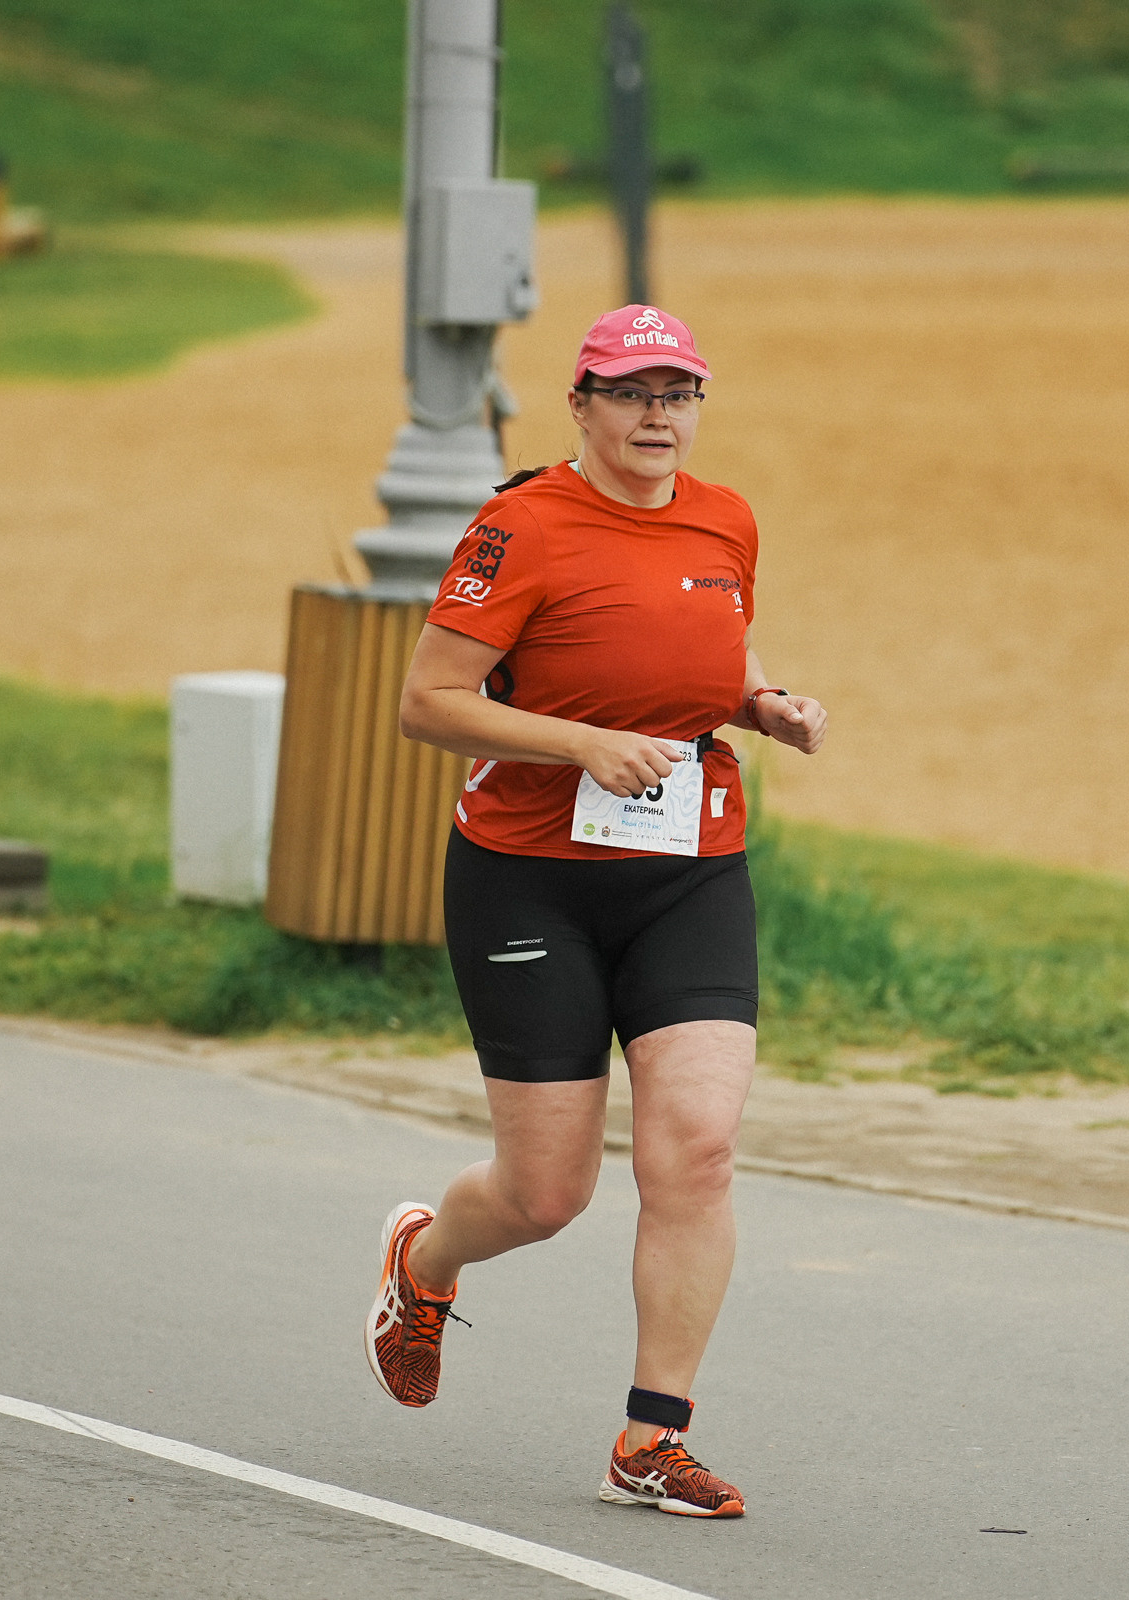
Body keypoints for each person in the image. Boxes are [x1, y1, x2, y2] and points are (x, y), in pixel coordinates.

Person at [365, 304, 827, 1520]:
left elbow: (702, 654)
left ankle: (650, 1439)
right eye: (632, 393)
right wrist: (580, 746)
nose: (658, 415)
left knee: (698, 1150)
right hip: (529, 873)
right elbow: (429, 701)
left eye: (678, 392)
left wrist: (761, 700)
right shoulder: (521, 526)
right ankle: (422, 1262)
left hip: (687, 867)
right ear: (581, 403)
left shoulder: (727, 518)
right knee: (547, 1194)